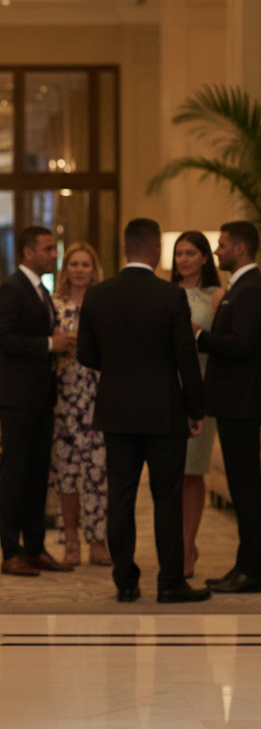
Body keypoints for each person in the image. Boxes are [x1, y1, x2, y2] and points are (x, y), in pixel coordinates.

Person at [77, 218, 209, 604]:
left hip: (116, 409)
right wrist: (195, 409)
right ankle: (170, 582)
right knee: (167, 498)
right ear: (156, 252)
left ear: (123, 250)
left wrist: (118, 371)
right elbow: (187, 358)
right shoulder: (171, 296)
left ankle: (126, 582)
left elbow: (85, 353)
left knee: (121, 496)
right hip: (165, 410)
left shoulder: (99, 295)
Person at [0, 226, 75, 577]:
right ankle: (11, 552)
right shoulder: (11, 289)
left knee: (39, 473)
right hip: (17, 396)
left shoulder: (41, 291)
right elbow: (0, 339)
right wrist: (48, 344)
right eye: (47, 250)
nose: (54, 255)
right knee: (16, 474)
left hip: (41, 396)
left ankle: (36, 547)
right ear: (28, 253)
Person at [197, 221, 261, 594]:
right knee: (242, 487)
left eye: (221, 245)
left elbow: (241, 346)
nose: (217, 251)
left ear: (239, 247)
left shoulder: (251, 289)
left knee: (246, 488)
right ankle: (245, 564)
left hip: (243, 401)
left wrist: (200, 336)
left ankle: (251, 569)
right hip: (234, 402)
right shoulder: (241, 287)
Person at [51, 241, 110, 567]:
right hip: (64, 396)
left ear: (94, 269)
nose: (79, 270)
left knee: (99, 471)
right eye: (74, 264)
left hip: (99, 394)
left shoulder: (105, 302)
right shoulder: (54, 304)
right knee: (67, 472)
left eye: (85, 264)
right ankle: (70, 540)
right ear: (66, 268)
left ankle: (98, 540)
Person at [170, 231, 223, 579]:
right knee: (172, 472)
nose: (184, 260)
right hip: (166, 389)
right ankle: (175, 544)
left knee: (192, 473)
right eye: (179, 254)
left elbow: (223, 345)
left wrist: (193, 333)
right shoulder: (166, 292)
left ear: (205, 257)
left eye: (191, 253)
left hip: (201, 388)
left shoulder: (218, 296)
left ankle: (188, 546)